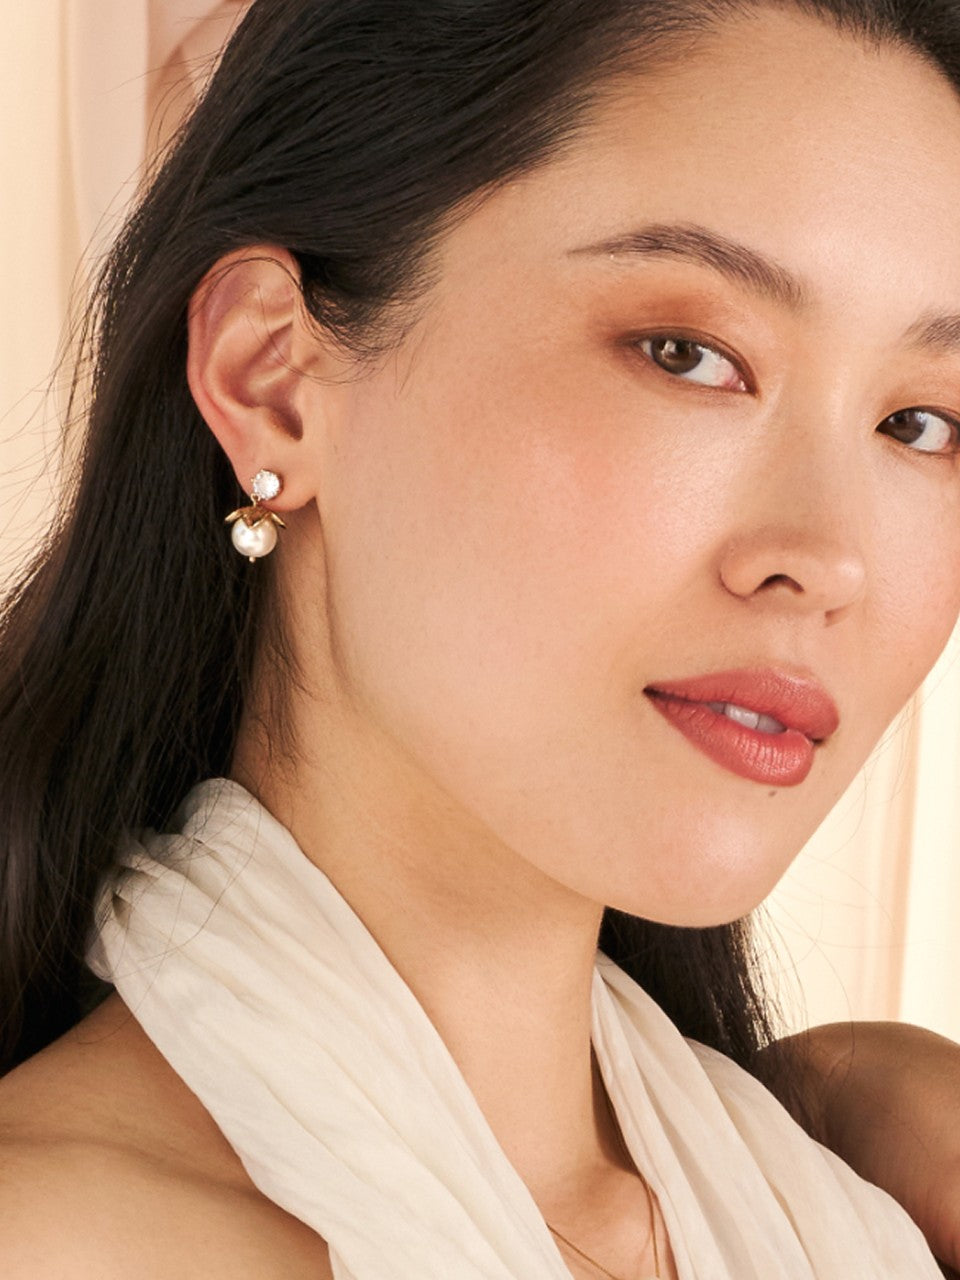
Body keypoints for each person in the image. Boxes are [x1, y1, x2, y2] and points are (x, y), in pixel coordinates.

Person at [1, 0, 960, 1275]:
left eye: (923, 425)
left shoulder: (850, 1199)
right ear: (273, 379)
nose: (830, 558)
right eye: (690, 353)